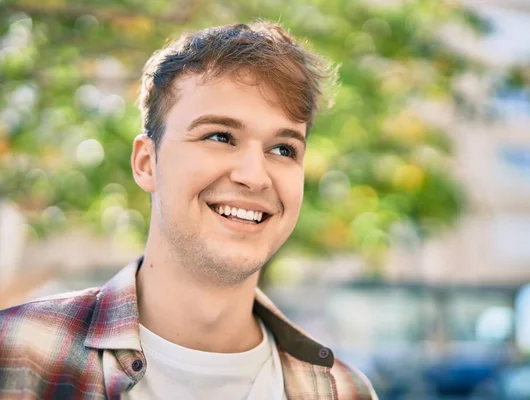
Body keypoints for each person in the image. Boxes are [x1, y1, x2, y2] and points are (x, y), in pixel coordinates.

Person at [0, 21, 377, 399]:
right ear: (147, 163)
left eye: (283, 149)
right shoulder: (16, 353)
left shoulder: (345, 391)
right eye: (220, 136)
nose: (255, 177)